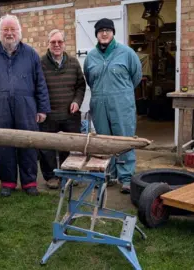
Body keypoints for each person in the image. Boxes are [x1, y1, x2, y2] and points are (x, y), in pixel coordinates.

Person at [0, 14, 50, 197]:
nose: (9, 33)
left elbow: (40, 83)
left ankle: (29, 182)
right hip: (0, 106)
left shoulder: (31, 53)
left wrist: (42, 108)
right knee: (3, 146)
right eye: (5, 30)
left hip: (26, 105)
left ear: (19, 32)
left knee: (28, 143)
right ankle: (8, 183)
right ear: (0, 33)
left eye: (13, 29)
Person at [83, 18, 142, 194]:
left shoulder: (127, 53)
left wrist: (120, 93)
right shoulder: (91, 57)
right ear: (97, 34)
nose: (104, 33)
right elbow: (89, 78)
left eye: (108, 30)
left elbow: (136, 77)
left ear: (113, 32)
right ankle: (107, 174)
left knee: (123, 140)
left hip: (121, 104)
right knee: (103, 141)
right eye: (101, 31)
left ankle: (126, 178)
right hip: (99, 104)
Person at [39, 29, 86, 189]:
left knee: (71, 147)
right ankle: (51, 177)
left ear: (64, 44)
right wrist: (41, 109)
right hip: (48, 115)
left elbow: (81, 85)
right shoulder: (40, 64)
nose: (57, 45)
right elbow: (36, 88)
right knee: (47, 148)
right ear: (48, 44)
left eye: (60, 42)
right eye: (53, 42)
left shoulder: (73, 62)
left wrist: (77, 101)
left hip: (70, 114)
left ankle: (70, 175)